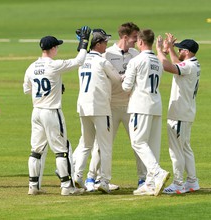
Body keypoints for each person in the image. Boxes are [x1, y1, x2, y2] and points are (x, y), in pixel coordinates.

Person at [23, 26, 91, 196]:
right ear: (52, 49)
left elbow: (27, 90)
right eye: (57, 47)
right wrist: (84, 43)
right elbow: (79, 61)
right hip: (52, 112)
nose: (57, 49)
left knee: (36, 150)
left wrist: (53, 88)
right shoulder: (54, 65)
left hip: (36, 111)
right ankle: (67, 187)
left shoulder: (31, 67)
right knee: (62, 150)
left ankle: (33, 186)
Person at [82, 22, 148, 192]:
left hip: (130, 106)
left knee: (138, 142)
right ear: (125, 37)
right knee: (101, 144)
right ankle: (92, 178)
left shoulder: (135, 54)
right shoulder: (106, 54)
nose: (136, 41)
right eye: (134, 37)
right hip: (109, 106)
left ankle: (142, 179)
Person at [73, 29, 122, 194]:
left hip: (83, 106)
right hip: (100, 107)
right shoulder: (102, 62)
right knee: (105, 145)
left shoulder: (82, 60)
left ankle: (77, 176)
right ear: (98, 44)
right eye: (105, 42)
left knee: (86, 144)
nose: (107, 45)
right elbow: (118, 79)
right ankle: (104, 181)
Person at [122, 29, 170, 196]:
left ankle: (157, 172)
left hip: (140, 106)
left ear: (141, 42)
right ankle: (150, 184)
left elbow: (126, 87)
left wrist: (124, 78)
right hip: (156, 105)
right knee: (152, 145)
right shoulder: (157, 62)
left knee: (138, 142)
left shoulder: (136, 61)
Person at [156, 33, 201, 194]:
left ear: (187, 52)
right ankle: (192, 182)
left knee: (176, 150)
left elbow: (169, 66)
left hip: (179, 114)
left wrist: (160, 50)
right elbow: (176, 62)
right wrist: (171, 49)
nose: (179, 51)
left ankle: (178, 184)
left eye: (181, 49)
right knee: (185, 148)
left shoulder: (188, 66)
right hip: (186, 112)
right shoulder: (193, 64)